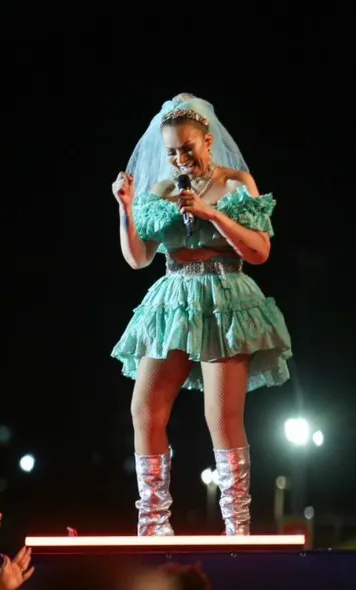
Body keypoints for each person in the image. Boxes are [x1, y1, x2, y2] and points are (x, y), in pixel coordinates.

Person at [111, 93, 292, 536]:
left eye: (187, 149)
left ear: (208, 142)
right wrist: (125, 207)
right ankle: (153, 524)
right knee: (145, 410)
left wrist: (212, 213)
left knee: (221, 416)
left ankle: (238, 526)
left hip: (224, 297)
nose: (179, 159)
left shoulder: (235, 183)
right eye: (171, 152)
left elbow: (261, 250)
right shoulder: (161, 191)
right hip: (173, 299)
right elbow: (138, 258)